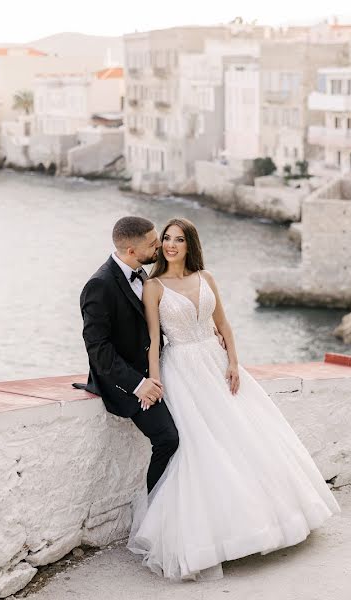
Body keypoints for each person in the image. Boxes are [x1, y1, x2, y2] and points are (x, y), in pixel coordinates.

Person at [127, 217, 340, 581]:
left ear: (190, 244)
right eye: (166, 239)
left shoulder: (207, 278)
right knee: (201, 447)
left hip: (215, 361)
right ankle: (212, 538)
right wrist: (155, 380)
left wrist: (235, 363)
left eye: (178, 239)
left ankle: (271, 522)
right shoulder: (154, 286)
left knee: (247, 437)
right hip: (181, 367)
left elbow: (224, 325)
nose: (171, 245)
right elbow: (152, 339)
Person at [76, 216, 177, 493]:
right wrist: (138, 384)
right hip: (125, 381)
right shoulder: (100, 285)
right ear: (131, 251)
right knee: (168, 438)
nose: (159, 246)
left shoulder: (141, 272)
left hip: (155, 370)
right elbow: (98, 349)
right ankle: (154, 511)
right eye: (153, 244)